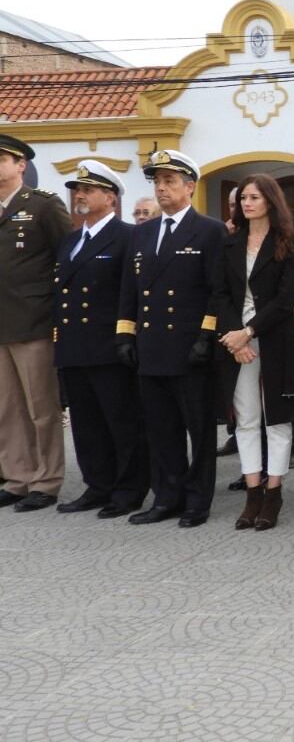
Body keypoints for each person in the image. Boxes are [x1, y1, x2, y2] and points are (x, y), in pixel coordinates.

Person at [117, 150, 225, 528]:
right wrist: (125, 334)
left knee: (198, 429)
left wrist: (206, 336)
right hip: (151, 348)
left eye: (170, 182)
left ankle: (198, 499)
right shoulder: (143, 232)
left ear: (190, 187)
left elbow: (217, 290)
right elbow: (129, 288)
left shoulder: (209, 230)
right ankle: (167, 496)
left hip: (190, 348)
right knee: (161, 429)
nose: (161, 189)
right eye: (157, 182)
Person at [53, 160, 147, 518]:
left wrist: (129, 337)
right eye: (78, 190)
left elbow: (132, 292)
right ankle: (98, 485)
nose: (80, 195)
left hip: (109, 345)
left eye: (88, 190)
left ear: (110, 197)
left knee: (121, 421)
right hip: (75, 344)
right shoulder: (72, 240)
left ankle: (128, 489)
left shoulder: (128, 236)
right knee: (86, 423)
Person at [216, 175, 294, 531]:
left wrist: (249, 332)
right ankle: (252, 491)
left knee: (277, 418)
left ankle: (274, 491)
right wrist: (233, 339)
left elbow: (285, 301)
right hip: (237, 344)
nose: (246, 203)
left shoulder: (289, 244)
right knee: (247, 419)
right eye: (243, 199)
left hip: (273, 339)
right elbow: (219, 295)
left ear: (270, 201)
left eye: (254, 197)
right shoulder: (230, 244)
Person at [0, 134, 73, 512]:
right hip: (1, 326)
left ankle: (46, 481)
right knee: (7, 408)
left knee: (42, 408)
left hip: (34, 321)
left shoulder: (42, 206)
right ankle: (18, 478)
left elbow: (71, 257)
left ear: (20, 165)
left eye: (1, 159)